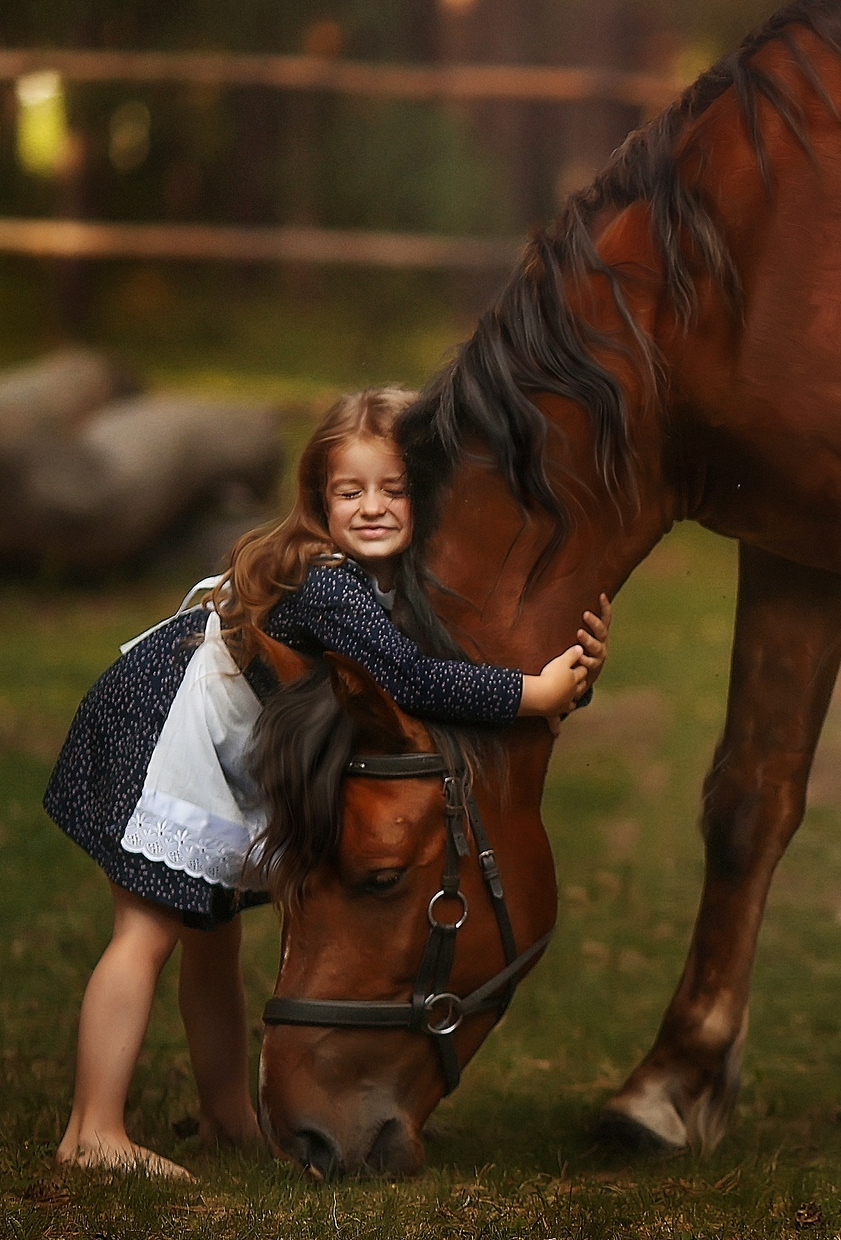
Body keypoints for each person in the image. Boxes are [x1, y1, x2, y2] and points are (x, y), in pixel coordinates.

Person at [41, 387, 609, 1177]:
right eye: (350, 491)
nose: (373, 507)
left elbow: (448, 670)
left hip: (207, 734)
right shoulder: (328, 582)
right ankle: (91, 1130)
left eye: (394, 488)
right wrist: (532, 693)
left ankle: (227, 1117)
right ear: (318, 500)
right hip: (163, 725)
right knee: (145, 937)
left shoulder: (387, 581)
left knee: (213, 941)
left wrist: (566, 680)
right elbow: (411, 680)